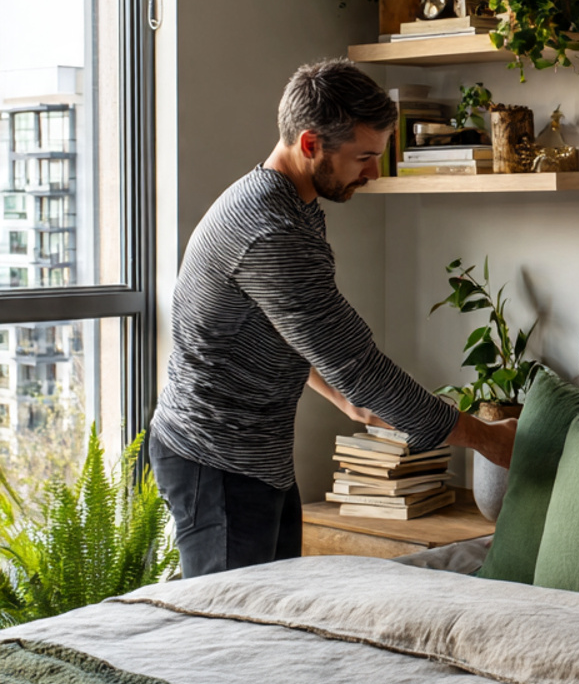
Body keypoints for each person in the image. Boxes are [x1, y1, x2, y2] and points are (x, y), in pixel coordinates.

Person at [149, 58, 515, 577]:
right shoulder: (272, 230)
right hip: (218, 460)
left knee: (274, 610)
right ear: (309, 144)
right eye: (363, 157)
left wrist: (347, 399)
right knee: (234, 617)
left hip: (258, 456)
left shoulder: (290, 201)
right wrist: (490, 439)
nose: (373, 173)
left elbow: (297, 330)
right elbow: (361, 370)